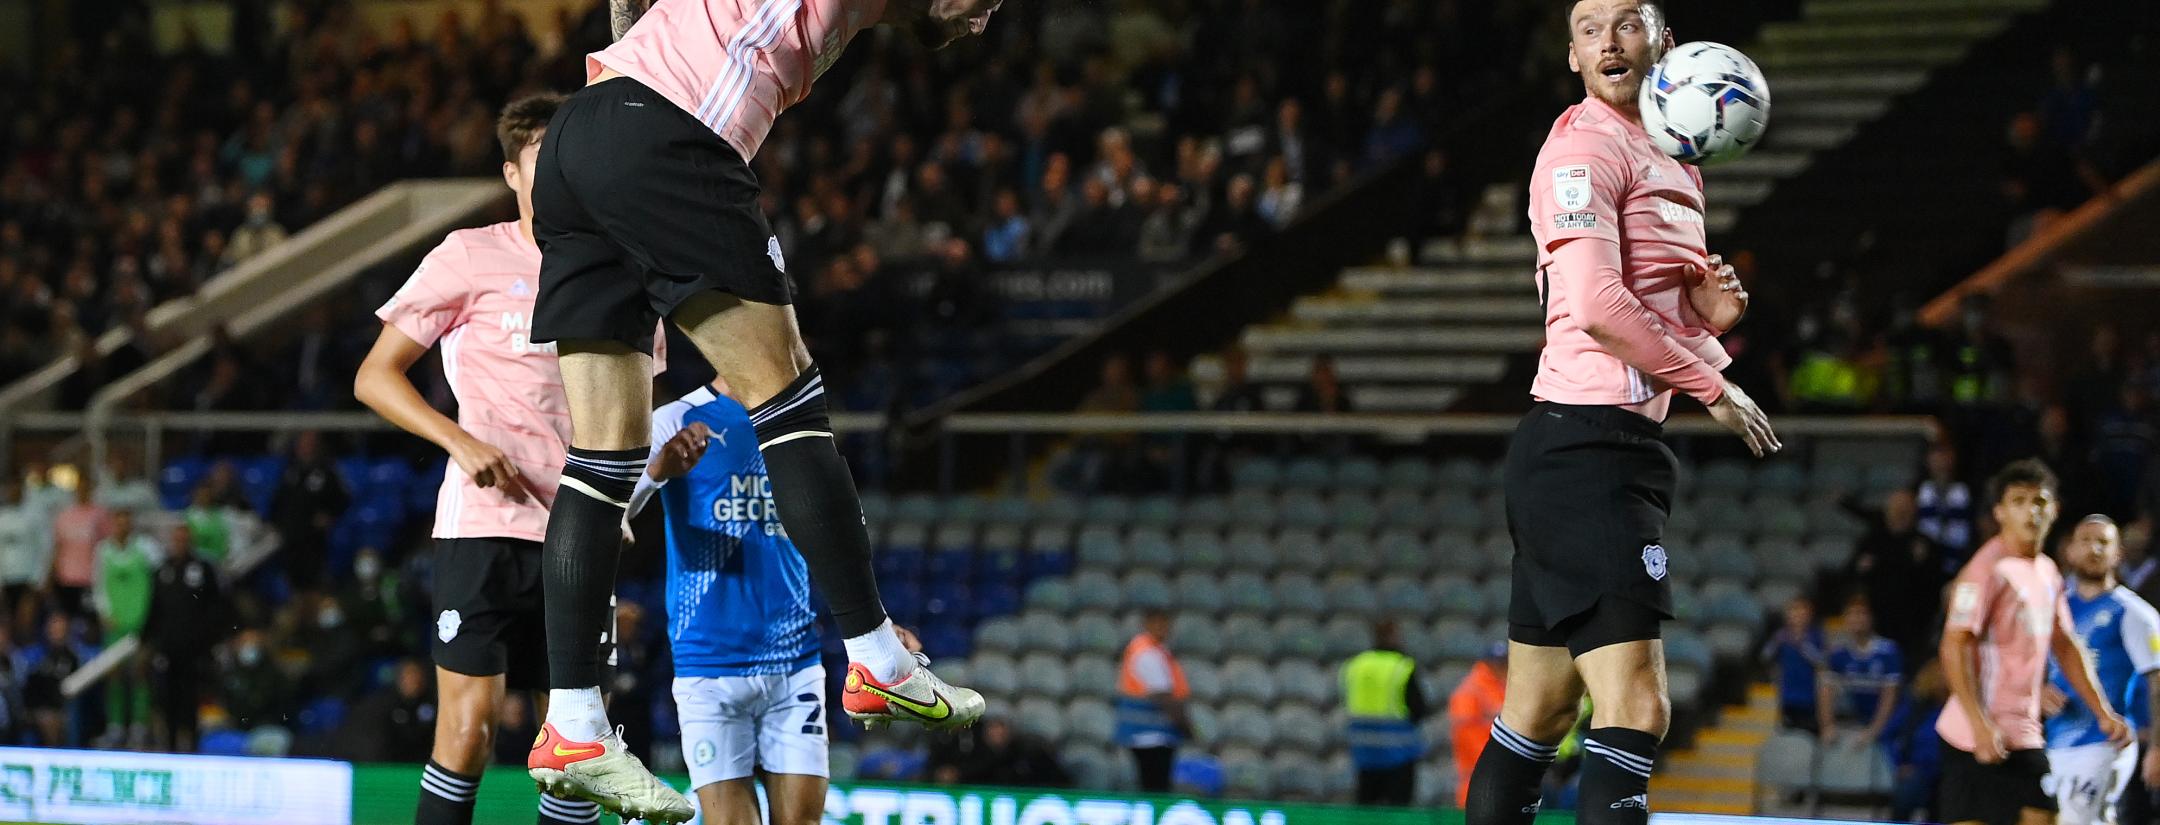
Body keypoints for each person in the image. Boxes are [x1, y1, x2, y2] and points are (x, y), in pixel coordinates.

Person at [520, 0, 1001, 815]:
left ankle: (573, 721)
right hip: (663, 129)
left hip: (579, 136)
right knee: (787, 392)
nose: (983, 20)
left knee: (604, 457)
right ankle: (878, 660)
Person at [1465, 5, 1779, 825]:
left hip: (1605, 446)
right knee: (1637, 703)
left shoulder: (1677, 157)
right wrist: (1716, 385)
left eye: (1627, 23)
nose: (1608, 40)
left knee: (1536, 714)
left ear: (1664, 44)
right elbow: (1599, 308)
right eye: (1588, 26)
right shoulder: (1581, 150)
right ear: (1571, 55)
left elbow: (1646, 314)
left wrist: (1705, 325)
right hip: (1584, 449)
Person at [352, 93, 612, 825]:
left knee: (576, 754)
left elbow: (633, 411)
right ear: (511, 173)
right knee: (468, 734)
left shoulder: (613, 266)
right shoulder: (470, 254)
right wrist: (460, 441)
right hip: (485, 528)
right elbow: (374, 375)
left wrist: (627, 493)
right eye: (541, 162)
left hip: (578, 535)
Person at [624, 380, 834, 825]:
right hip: (708, 666)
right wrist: (658, 470)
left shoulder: (799, 417)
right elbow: (614, 512)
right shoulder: (674, 418)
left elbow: (830, 531)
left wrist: (875, 625)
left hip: (793, 662)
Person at [1938, 460, 2130, 825]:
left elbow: (2065, 643)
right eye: (2019, 501)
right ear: (2000, 512)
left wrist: (2102, 711)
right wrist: (1979, 725)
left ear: (2054, 510)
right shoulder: (1984, 571)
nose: (2031, 510)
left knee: (2044, 818)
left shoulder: (2047, 571)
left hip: (2024, 733)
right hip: (1972, 736)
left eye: (2039, 501)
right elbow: (1953, 644)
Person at [2043, 516, 2160, 825]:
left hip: (2106, 740)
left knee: (2077, 819)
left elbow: (2157, 682)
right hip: (2053, 740)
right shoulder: (2055, 608)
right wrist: (2037, 692)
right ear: (2069, 551)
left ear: (2118, 553)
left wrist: (2158, 748)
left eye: (2103, 542)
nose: (2094, 549)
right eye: (2085, 541)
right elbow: (2032, 666)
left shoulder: (2135, 613)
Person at [145, 522, 225, 752]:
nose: (180, 543)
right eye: (177, 539)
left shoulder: (203, 569)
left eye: (184, 539)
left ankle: (193, 745)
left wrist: (209, 640)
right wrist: (149, 643)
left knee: (192, 700)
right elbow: (154, 609)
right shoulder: (162, 570)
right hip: (167, 650)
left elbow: (215, 607)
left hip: (195, 651)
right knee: (166, 699)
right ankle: (169, 745)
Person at [1342, 619, 1430, 806]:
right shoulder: (1402, 666)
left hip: (1363, 751)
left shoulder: (1356, 665)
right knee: (1397, 812)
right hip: (1397, 754)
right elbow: (1419, 708)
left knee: (1365, 812)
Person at [1116, 609, 1189, 792]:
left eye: (1165, 624)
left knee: (1154, 784)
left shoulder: (1157, 650)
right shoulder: (1146, 652)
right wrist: (1185, 726)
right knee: (1155, 786)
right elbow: (1162, 695)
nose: (1162, 628)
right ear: (1146, 625)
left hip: (1152, 734)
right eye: (1157, 623)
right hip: (1150, 734)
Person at [1817, 598, 1903, 751]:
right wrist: (1827, 726)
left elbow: (1890, 695)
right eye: (1851, 614)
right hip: (1853, 719)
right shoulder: (1838, 651)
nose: (1856, 619)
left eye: (1861, 614)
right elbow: (1826, 691)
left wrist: (1874, 731)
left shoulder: (1887, 651)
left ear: (1871, 618)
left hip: (1885, 722)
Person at [1448, 642, 1507, 808]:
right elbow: (1465, 734)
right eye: (1497, 662)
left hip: (1498, 773)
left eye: (1504, 662)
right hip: (1478, 776)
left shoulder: (1503, 686)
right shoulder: (1472, 690)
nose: (1501, 667)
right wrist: (1490, 760)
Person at [49, 480, 113, 618]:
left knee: (88, 620)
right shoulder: (65, 515)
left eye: (86, 488)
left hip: (90, 578)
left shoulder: (99, 514)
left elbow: (107, 544)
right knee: (67, 617)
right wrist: (53, 573)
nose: (83, 492)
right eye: (80, 489)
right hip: (66, 578)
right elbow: (58, 546)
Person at [1761, 597, 1825, 733]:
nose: (1798, 615)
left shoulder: (1816, 636)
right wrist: (1778, 642)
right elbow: (1766, 656)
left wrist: (1801, 643)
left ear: (1809, 615)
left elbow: (1821, 662)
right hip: (1787, 697)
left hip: (1810, 698)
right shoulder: (1781, 636)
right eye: (1794, 611)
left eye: (1802, 611)